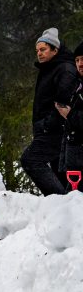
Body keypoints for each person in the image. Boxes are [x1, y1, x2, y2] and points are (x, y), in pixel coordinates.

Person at [20, 28, 79, 195]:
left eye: (43, 49)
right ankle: (66, 205)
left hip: (56, 131)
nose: (39, 53)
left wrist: (46, 125)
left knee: (30, 160)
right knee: (61, 177)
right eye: (37, 50)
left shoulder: (65, 69)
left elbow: (64, 103)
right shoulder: (51, 68)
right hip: (49, 130)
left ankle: (60, 202)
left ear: (55, 49)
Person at [55, 42, 83, 192]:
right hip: (74, 162)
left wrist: (70, 114)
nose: (80, 64)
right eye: (77, 60)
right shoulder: (76, 85)